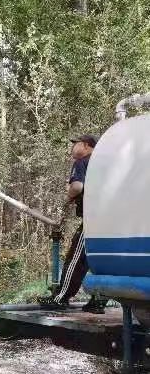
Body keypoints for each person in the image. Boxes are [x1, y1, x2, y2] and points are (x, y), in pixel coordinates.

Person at [39, 134, 107, 314]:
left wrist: (69, 194)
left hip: (93, 219)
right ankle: (98, 301)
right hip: (112, 219)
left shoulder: (83, 162)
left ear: (86, 145)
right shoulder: (107, 162)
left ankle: (60, 298)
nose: (72, 148)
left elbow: (77, 187)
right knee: (102, 261)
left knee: (76, 259)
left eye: (75, 143)